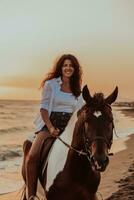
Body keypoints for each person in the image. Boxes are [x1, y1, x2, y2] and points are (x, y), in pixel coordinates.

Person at [26, 54, 83, 199]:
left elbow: (80, 111)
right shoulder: (51, 84)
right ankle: (32, 195)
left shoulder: (78, 89)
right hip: (50, 125)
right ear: (61, 68)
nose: (68, 68)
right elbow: (44, 109)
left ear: (75, 69)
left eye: (71, 65)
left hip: (69, 128)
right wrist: (51, 128)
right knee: (32, 157)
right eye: (65, 65)